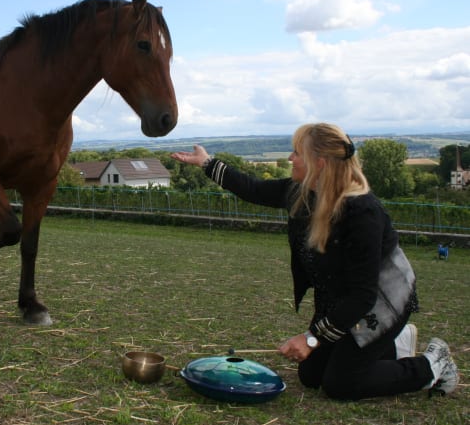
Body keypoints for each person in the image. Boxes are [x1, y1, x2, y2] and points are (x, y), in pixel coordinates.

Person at [171, 123, 459, 400]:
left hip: (381, 304)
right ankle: (391, 346)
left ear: (319, 162)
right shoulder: (303, 193)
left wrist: (311, 338)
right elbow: (254, 189)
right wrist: (207, 163)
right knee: (311, 376)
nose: (290, 158)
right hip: (339, 300)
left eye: (297, 153)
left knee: (342, 384)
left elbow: (363, 295)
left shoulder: (363, 212)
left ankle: (433, 365)